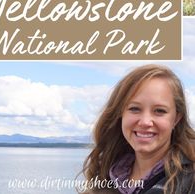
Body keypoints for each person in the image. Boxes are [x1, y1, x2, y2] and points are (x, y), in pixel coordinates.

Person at [81, 64, 195, 194]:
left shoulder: (190, 181)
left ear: (176, 118)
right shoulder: (106, 176)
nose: (145, 122)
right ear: (120, 114)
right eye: (134, 109)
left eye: (159, 111)